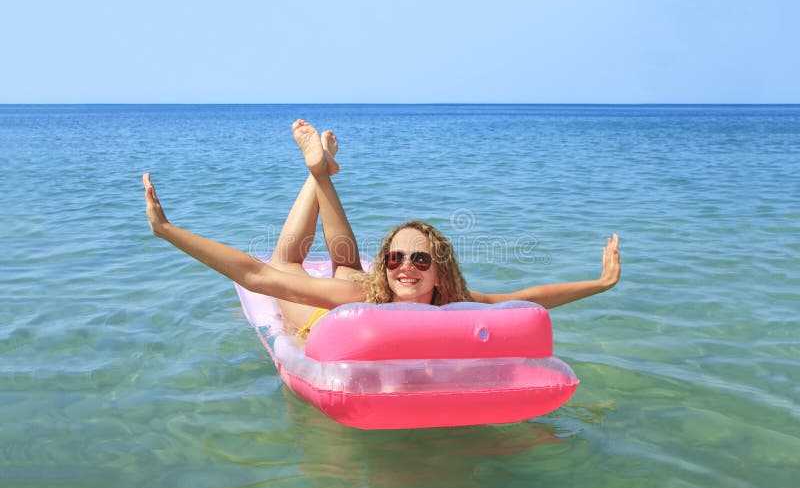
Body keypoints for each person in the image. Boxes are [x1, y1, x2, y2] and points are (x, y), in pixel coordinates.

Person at [143, 119, 620, 339]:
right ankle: (317, 171)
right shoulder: (354, 301)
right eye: (394, 257)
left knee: (347, 263)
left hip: (355, 286)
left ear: (439, 271)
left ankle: (319, 170)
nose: (403, 266)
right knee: (285, 261)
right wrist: (168, 230)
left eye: (418, 258)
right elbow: (255, 275)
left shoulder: (454, 300)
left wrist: (599, 285)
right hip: (322, 322)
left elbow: (528, 298)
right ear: (387, 267)